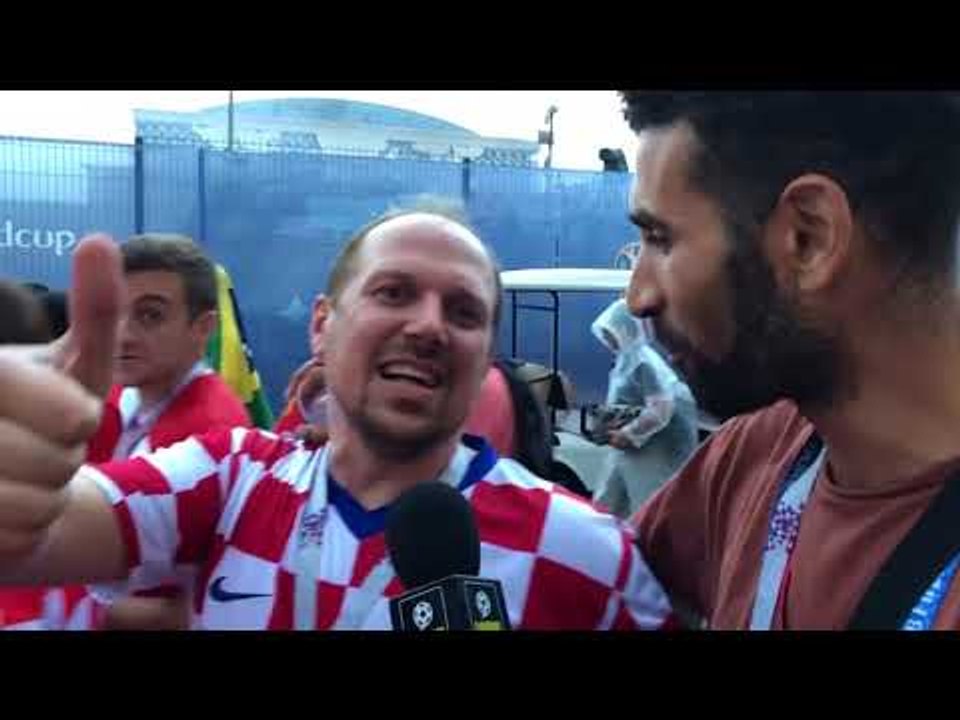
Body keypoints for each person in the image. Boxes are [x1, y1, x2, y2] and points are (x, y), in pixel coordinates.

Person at [0, 211, 674, 630]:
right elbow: (45, 530)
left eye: (464, 313)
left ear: (484, 358)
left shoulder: (588, 554)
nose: (428, 326)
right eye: (394, 292)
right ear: (323, 324)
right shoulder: (229, 479)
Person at [621, 91, 960, 629]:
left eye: (659, 238)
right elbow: (594, 579)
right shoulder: (754, 456)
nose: (637, 295)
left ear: (809, 237)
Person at [0, 234, 252, 630]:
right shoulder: (116, 395)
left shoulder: (211, 433)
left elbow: (186, 606)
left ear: (203, 328)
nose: (124, 334)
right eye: (116, 314)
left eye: (150, 315)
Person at [589, 298, 698, 518]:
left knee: (646, 510)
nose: (607, 338)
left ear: (625, 329)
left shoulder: (644, 363)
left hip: (650, 452)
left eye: (611, 331)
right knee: (607, 505)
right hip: (627, 451)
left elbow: (661, 408)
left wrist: (630, 433)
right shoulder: (626, 360)